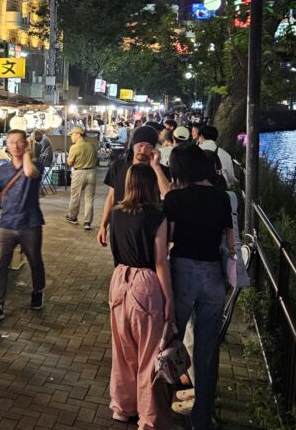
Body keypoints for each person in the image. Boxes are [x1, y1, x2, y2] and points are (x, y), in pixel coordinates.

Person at [164, 144, 235, 430]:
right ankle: (202, 420)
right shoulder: (225, 199)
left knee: (170, 345)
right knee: (207, 352)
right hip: (212, 276)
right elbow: (231, 244)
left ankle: (161, 409)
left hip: (181, 272)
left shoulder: (174, 198)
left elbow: (166, 238)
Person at [101, 164, 175, 429]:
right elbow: (160, 261)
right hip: (145, 283)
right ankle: (149, 417)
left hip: (119, 278)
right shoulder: (157, 215)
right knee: (149, 354)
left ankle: (122, 407)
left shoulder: (118, 213)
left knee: (122, 349)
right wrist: (170, 301)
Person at [0, 130, 46, 323]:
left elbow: (29, 172)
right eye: (11, 142)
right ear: (7, 145)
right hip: (7, 224)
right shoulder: (2, 171)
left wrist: (27, 153)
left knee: (35, 260)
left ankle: (37, 290)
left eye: (20, 142)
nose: (15, 146)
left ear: (26, 144)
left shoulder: (36, 165)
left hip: (31, 223)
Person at [97, 126, 171, 248]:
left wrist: (156, 167)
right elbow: (111, 197)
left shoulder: (160, 171)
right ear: (133, 145)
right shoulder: (118, 167)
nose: (143, 150)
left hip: (149, 228)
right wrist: (103, 225)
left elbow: (169, 196)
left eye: (149, 146)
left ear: (154, 149)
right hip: (120, 226)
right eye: (140, 145)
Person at [65, 126, 99, 230]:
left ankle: (73, 217)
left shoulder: (74, 147)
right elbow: (95, 159)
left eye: (72, 134)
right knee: (89, 199)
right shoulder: (92, 146)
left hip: (79, 172)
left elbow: (69, 163)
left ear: (78, 134)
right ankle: (87, 222)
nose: (71, 137)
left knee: (75, 196)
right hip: (92, 172)